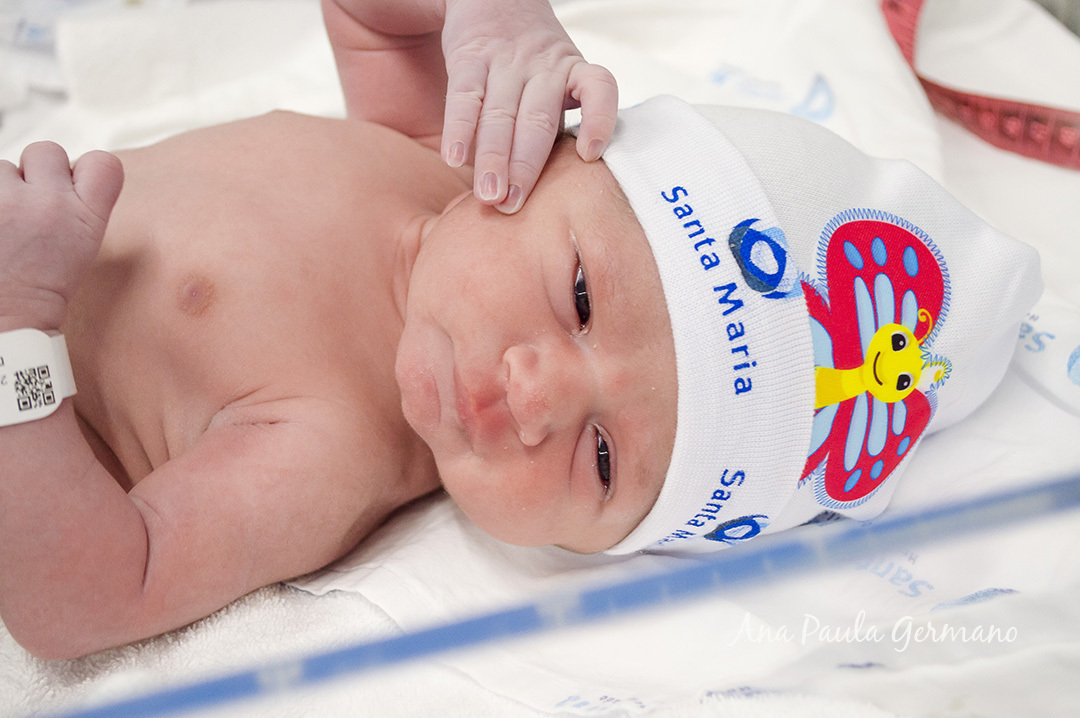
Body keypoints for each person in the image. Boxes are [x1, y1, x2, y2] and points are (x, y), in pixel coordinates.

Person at [0, 0, 1042, 662]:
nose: (539, 398)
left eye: (602, 458)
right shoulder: (434, 155)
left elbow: (91, 595)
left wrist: (21, 332)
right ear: (542, 158)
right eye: (583, 298)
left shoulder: (329, 446)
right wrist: (492, 15)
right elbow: (376, 18)